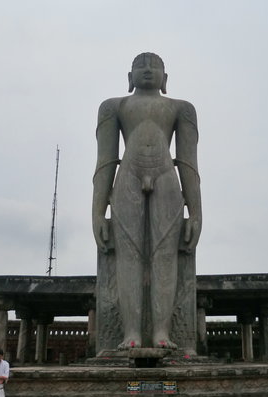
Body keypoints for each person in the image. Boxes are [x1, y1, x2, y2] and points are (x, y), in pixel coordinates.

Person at [92, 52, 202, 350]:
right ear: (129, 77)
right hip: (127, 178)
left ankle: (162, 331)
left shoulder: (181, 108)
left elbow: (188, 163)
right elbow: (105, 161)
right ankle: (131, 332)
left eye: (155, 67)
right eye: (141, 66)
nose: (148, 70)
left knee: (165, 257)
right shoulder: (115, 106)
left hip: (167, 179)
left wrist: (196, 212)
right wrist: (98, 212)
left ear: (166, 78)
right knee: (127, 256)